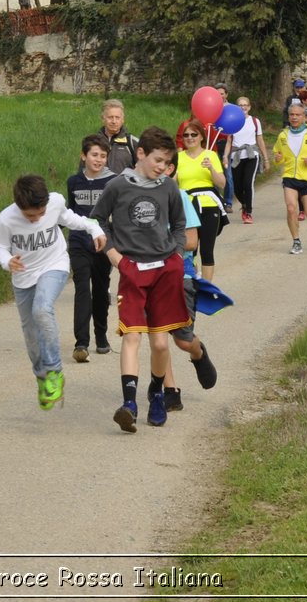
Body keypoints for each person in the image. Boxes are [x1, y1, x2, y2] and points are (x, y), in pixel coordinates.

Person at [90, 126, 190, 433]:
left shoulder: (168, 187)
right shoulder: (118, 186)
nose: (162, 167)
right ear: (142, 154)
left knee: (160, 343)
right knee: (132, 336)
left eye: (167, 162)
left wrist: (175, 255)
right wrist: (114, 255)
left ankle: (157, 394)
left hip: (164, 271)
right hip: (132, 269)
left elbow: (179, 224)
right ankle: (129, 404)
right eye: (158, 160)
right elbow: (97, 220)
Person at [0, 173, 105, 409]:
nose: (37, 218)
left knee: (42, 309)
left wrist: (95, 230)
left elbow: (71, 219)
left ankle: (54, 372)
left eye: (41, 213)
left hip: (54, 265)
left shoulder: (54, 202)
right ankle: (43, 378)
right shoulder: (6, 219)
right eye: (31, 215)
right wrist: (7, 260)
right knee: (31, 337)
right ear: (19, 207)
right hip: (23, 276)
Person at [164, 190, 221, 413]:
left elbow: (191, 241)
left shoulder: (179, 197)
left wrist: (155, 243)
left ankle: (198, 353)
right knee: (158, 335)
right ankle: (171, 392)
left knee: (183, 341)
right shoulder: (138, 196)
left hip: (181, 274)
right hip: (149, 275)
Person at [65, 134, 117, 360]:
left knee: (100, 291)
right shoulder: (73, 182)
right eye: (94, 155)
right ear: (83, 156)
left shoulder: (114, 182)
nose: (98, 160)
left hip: (104, 245)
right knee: (82, 290)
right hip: (78, 243)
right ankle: (81, 344)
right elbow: (68, 214)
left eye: (103, 156)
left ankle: (101, 336)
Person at [272, 100, 307, 255]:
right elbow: (278, 154)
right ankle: (296, 241)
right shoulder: (283, 136)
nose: (294, 117)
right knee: (291, 209)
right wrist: (278, 159)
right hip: (290, 176)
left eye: (298, 115)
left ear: (304, 117)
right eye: (291, 115)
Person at [175, 118, 226, 282]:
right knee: (190, 248)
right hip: (187, 207)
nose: (190, 138)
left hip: (209, 205)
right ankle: (191, 282)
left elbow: (222, 183)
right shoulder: (178, 157)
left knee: (206, 249)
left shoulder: (210, 155)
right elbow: (173, 183)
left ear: (201, 137)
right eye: (186, 135)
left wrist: (211, 168)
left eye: (194, 134)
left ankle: (207, 288)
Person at [227, 96, 265, 224]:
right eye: (240, 105)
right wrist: (224, 157)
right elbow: (229, 141)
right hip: (236, 156)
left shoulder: (255, 121)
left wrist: (266, 158)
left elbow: (260, 140)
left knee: (248, 183)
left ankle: (248, 212)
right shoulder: (232, 121)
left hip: (251, 155)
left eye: (245, 105)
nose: (243, 107)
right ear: (236, 107)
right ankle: (243, 203)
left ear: (249, 107)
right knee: (237, 186)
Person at [211, 84, 236, 212]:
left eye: (222, 93)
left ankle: (228, 202)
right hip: (213, 144)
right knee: (213, 173)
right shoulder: (211, 107)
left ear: (226, 95)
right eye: (217, 94)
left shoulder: (231, 109)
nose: (219, 96)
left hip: (226, 144)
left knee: (228, 174)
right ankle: (216, 200)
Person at [97, 99, 140, 174]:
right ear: (103, 119)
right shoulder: (93, 142)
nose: (114, 121)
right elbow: (83, 171)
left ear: (123, 119)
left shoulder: (132, 143)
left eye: (117, 117)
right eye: (110, 117)